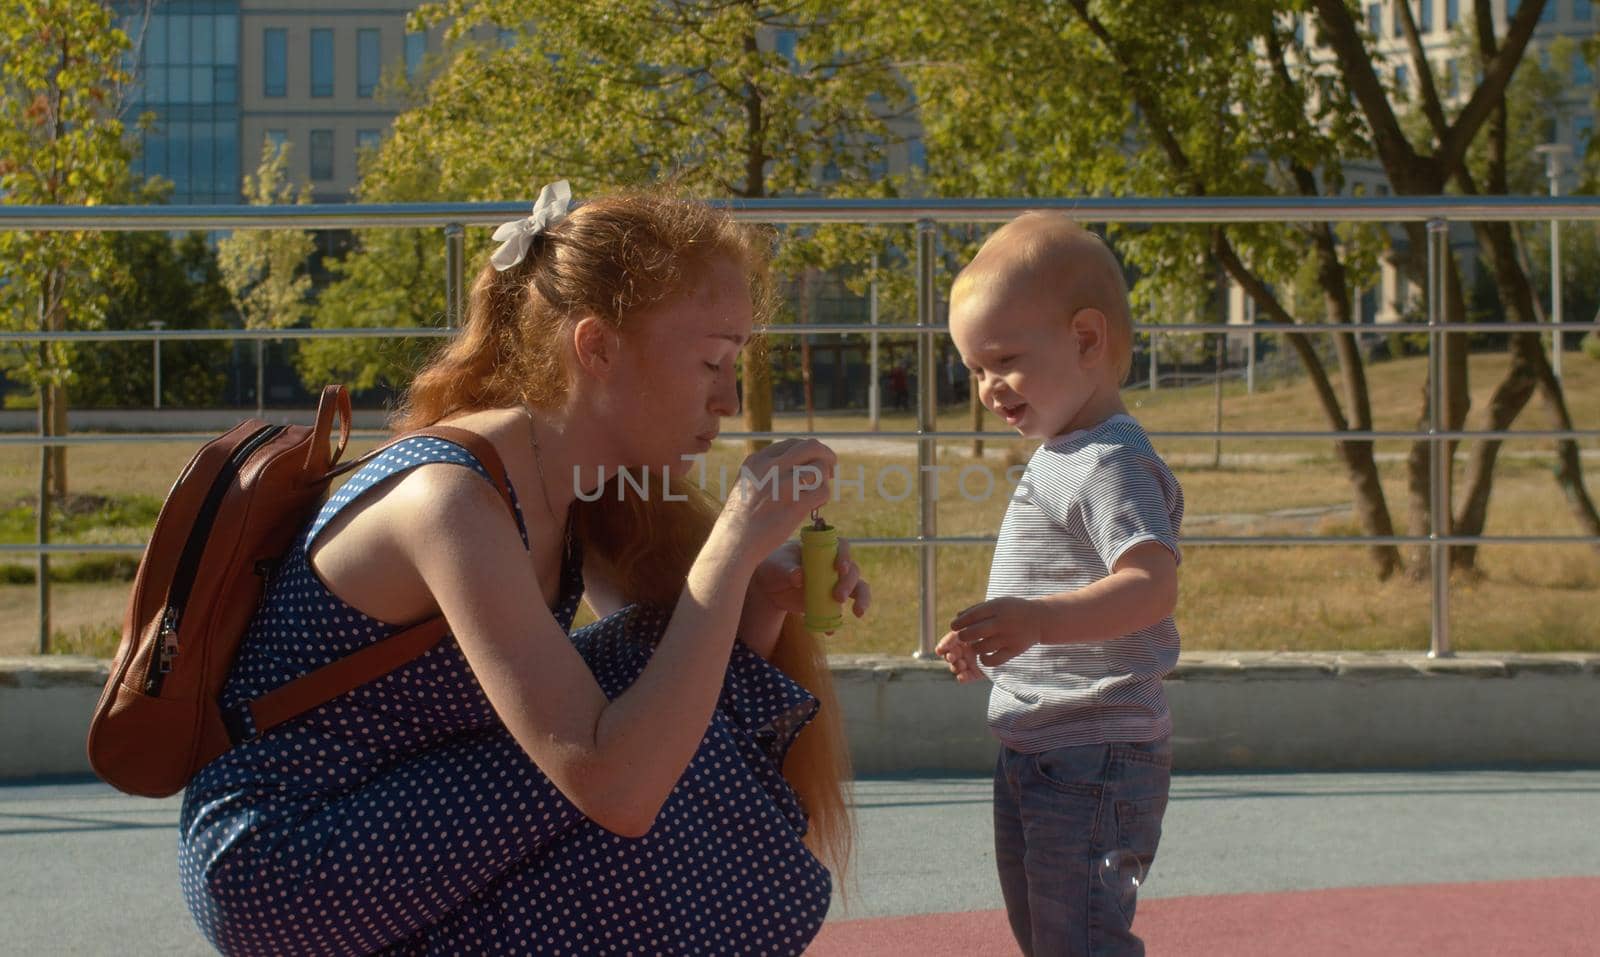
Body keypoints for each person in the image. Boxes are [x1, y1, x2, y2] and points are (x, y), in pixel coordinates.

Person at [178, 182, 871, 956]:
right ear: (597, 347)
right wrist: (733, 544)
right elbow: (615, 783)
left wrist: (755, 589)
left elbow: (683, 687)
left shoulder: (576, 482)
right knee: (649, 764)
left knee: (669, 687)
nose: (731, 399)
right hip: (285, 851)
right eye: (712, 361)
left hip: (398, 809)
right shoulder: (451, 499)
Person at [934, 213, 1184, 957]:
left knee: (1080, 940)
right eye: (974, 369)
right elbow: (1052, 582)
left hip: (1095, 752)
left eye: (1003, 360)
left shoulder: (1109, 460)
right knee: (1051, 938)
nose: (986, 387)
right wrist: (998, 636)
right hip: (1043, 744)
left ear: (1085, 339)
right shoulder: (1065, 451)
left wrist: (1036, 621)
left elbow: (1150, 584)